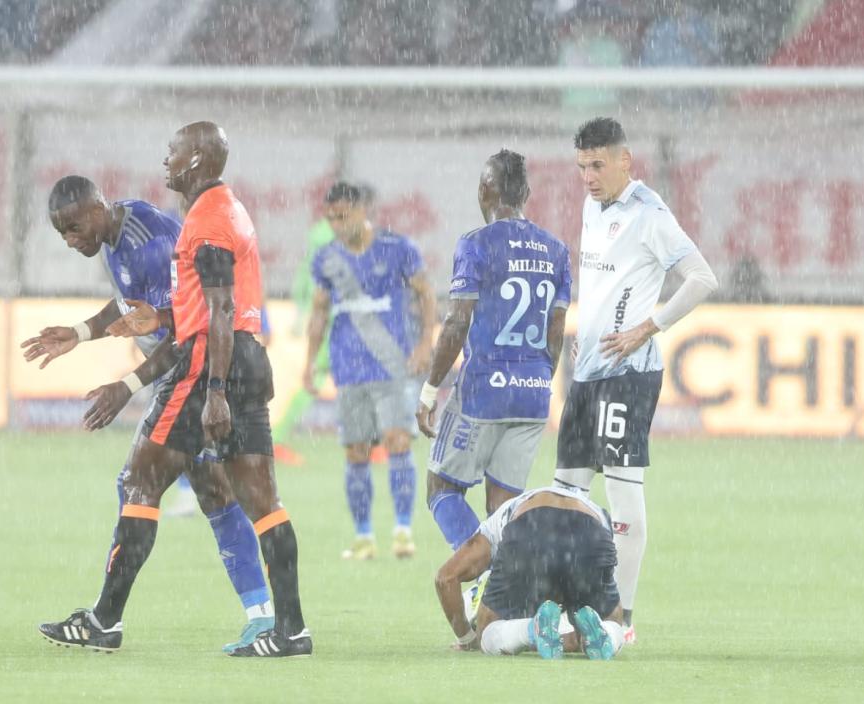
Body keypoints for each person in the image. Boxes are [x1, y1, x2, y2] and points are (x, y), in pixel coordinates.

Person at [26, 176, 274, 653]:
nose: (72, 239)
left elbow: (184, 327)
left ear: (98, 206)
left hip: (190, 375)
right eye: (63, 233)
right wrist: (79, 332)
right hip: (190, 376)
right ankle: (263, 615)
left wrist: (128, 386)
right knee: (216, 492)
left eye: (75, 227)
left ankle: (105, 621)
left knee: (138, 482)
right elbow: (132, 307)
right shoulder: (118, 232)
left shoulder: (152, 244)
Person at [108, 121, 311, 657]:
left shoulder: (208, 219)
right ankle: (290, 630)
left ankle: (104, 621)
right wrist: (162, 314)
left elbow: (220, 308)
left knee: (141, 478)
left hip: (210, 363)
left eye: (173, 150)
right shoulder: (229, 209)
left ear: (196, 159)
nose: (165, 158)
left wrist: (215, 389)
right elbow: (214, 302)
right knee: (262, 498)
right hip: (245, 354)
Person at [554, 117, 719, 642]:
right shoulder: (591, 205)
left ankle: (621, 619)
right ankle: (569, 607)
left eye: (598, 164)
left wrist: (647, 327)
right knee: (568, 497)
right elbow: (607, 280)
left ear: (626, 160)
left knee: (623, 503)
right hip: (587, 370)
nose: (588, 175)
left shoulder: (649, 214)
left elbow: (702, 278)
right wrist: (588, 328)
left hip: (629, 374)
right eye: (582, 166)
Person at [416, 149, 571, 551]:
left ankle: (481, 579)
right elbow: (557, 332)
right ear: (527, 193)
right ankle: (512, 598)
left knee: (441, 487)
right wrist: (534, 379)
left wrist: (431, 388)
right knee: (503, 509)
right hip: (534, 391)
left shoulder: (475, 244)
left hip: (485, 389)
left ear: (486, 188)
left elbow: (457, 321)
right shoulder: (556, 250)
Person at [303, 181, 435, 561]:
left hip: (393, 363)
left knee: (398, 441)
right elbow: (318, 312)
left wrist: (427, 342)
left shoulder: (398, 249)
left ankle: (403, 533)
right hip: (349, 368)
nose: (336, 225)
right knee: (356, 451)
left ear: (362, 211)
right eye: (330, 219)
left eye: (342, 216)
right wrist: (309, 363)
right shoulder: (326, 258)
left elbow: (426, 294)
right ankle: (363, 537)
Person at [434, 485, 626, 660]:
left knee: (487, 631)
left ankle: (532, 630)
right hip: (591, 533)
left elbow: (445, 578)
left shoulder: (491, 530)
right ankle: (606, 634)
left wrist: (467, 638)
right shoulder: (594, 512)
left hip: (529, 528)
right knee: (613, 622)